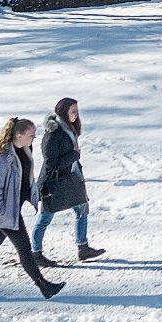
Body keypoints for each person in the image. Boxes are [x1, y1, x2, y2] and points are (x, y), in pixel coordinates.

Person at [0, 117, 65, 301]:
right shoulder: (3, 158)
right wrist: (2, 215)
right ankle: (44, 286)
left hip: (11, 209)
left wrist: (34, 194)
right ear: (18, 135)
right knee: (25, 249)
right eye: (31, 135)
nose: (34, 138)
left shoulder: (24, 150)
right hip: (5, 212)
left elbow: (24, 179)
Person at [32, 97, 105, 266]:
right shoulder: (53, 133)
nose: (76, 115)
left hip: (71, 178)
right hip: (53, 183)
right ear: (63, 112)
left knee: (82, 209)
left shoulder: (69, 130)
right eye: (73, 112)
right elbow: (51, 164)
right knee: (44, 218)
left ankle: (83, 247)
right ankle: (35, 253)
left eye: (77, 111)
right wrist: (74, 155)